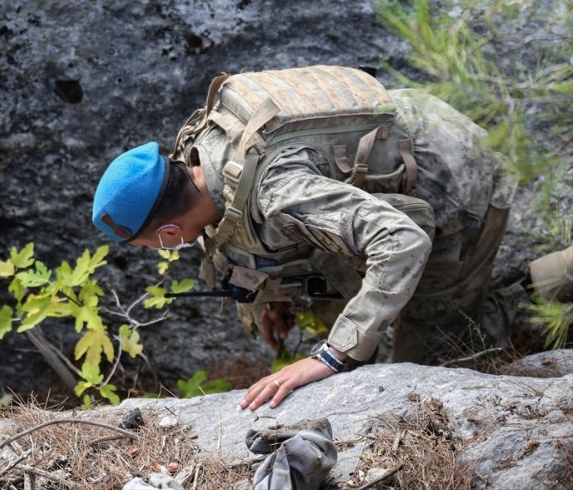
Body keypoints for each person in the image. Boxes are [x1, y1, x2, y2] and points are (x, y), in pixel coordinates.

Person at [91, 65, 519, 412]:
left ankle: (539, 287)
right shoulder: (201, 156)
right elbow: (251, 226)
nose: (173, 246)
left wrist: (329, 358)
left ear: (168, 232)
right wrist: (273, 295)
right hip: (398, 156)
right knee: (381, 330)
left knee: (430, 361)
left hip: (454, 186)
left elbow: (402, 240)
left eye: (165, 244)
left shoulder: (277, 192)